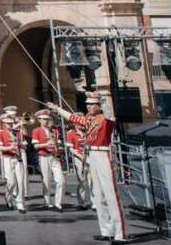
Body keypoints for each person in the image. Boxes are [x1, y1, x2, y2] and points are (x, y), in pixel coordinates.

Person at [47, 93, 128, 243]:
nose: (88, 106)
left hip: (103, 154)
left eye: (92, 104)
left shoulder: (107, 119)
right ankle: (106, 230)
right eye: (88, 104)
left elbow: (108, 111)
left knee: (111, 195)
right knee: (98, 195)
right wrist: (57, 108)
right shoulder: (89, 120)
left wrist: (101, 98)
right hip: (92, 155)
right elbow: (72, 118)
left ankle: (120, 234)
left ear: (98, 105)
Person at [32, 109, 65, 212]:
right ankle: (47, 202)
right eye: (44, 119)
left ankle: (58, 203)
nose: (46, 121)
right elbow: (36, 146)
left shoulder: (54, 131)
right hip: (44, 157)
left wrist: (59, 148)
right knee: (46, 181)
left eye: (47, 119)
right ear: (39, 120)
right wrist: (46, 144)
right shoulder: (36, 131)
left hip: (54, 157)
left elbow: (59, 144)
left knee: (61, 180)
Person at [0, 113, 26, 213]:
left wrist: (22, 144)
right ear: (3, 123)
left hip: (18, 158)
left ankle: (20, 203)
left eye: (11, 123)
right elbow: (0, 148)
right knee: (11, 182)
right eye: (7, 123)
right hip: (7, 158)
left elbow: (24, 146)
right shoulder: (0, 132)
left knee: (20, 181)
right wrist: (10, 147)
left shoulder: (17, 132)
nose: (10, 125)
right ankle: (8, 198)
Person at [67, 121, 92, 208]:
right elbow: (71, 149)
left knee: (92, 180)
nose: (81, 124)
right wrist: (80, 156)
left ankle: (95, 203)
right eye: (79, 123)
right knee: (82, 181)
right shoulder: (71, 133)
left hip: (89, 157)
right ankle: (81, 202)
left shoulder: (88, 132)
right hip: (78, 158)